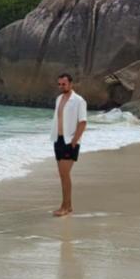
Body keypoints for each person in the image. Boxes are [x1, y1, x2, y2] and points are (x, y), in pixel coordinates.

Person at [51, 72, 87, 216]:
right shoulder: (59, 99)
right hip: (58, 139)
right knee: (62, 174)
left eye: (64, 84)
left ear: (71, 84)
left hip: (70, 141)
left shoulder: (79, 101)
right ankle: (68, 206)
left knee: (65, 174)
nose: (61, 86)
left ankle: (65, 207)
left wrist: (74, 141)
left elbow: (83, 122)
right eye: (59, 84)